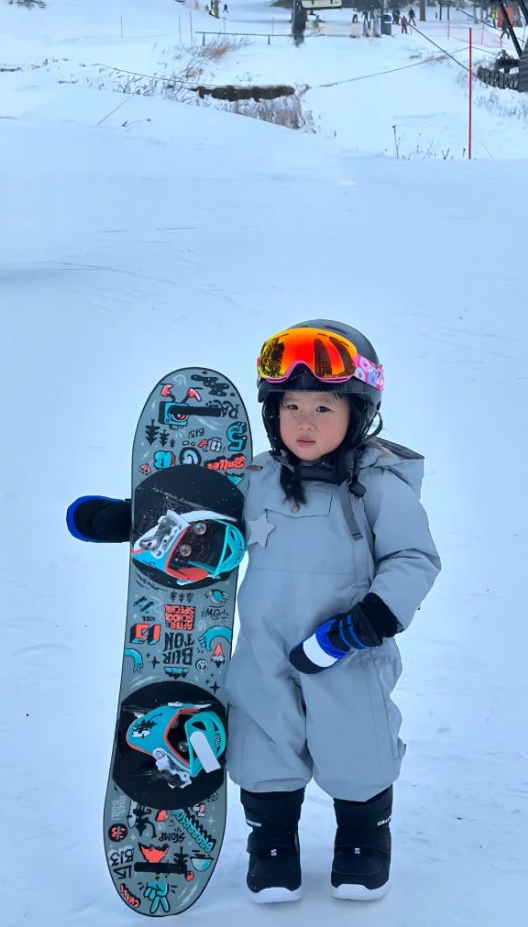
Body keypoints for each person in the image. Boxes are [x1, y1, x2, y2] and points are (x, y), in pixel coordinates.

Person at [65, 320, 440, 905]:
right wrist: (128, 519)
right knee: (263, 741)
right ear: (272, 413)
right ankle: (272, 846)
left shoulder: (378, 485)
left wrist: (367, 621)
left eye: (323, 407)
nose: (305, 422)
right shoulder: (256, 478)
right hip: (264, 645)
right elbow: (196, 520)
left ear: (358, 414)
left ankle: (363, 843)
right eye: (291, 407)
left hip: (347, 647)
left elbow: (413, 557)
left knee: (358, 743)